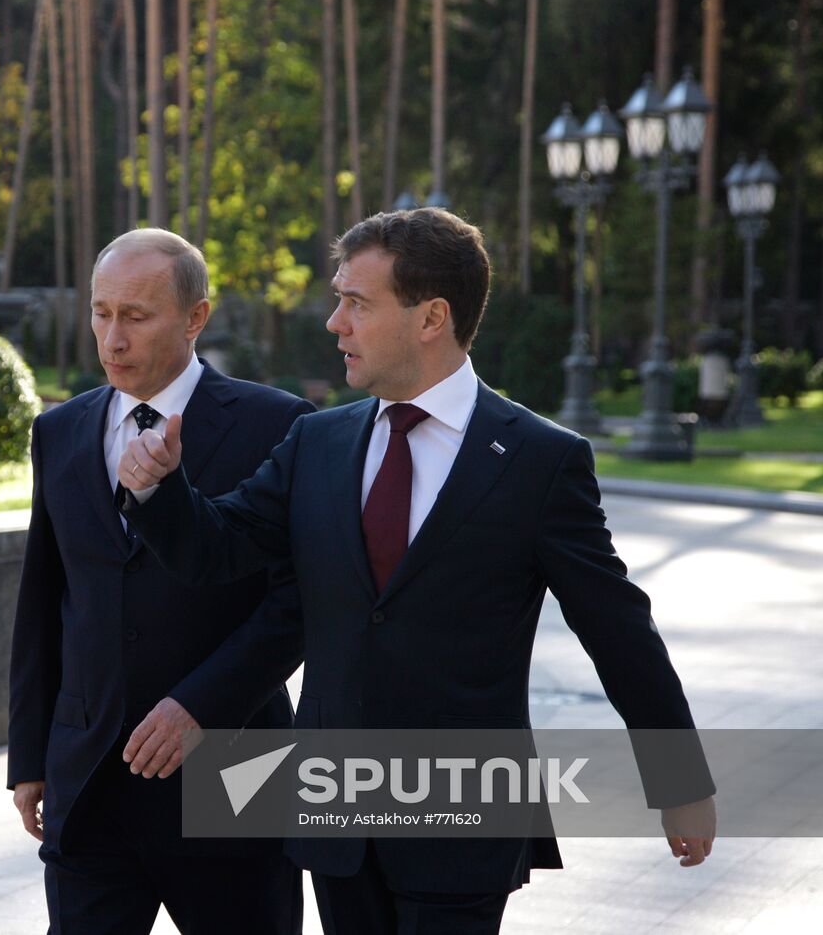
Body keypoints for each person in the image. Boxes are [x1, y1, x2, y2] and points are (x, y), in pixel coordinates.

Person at [117, 208, 716, 935]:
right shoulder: (316, 441)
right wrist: (159, 488)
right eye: (338, 298)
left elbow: (618, 629)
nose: (335, 322)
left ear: (432, 316)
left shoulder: (539, 459)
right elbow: (216, 549)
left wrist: (678, 780)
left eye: (356, 303)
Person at [8, 227, 314, 934]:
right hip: (89, 783)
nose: (112, 337)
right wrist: (30, 755)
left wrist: (200, 704)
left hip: (234, 778)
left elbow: (295, 603)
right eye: (100, 311)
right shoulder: (59, 431)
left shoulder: (281, 426)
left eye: (136, 316)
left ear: (196, 318)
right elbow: (44, 600)